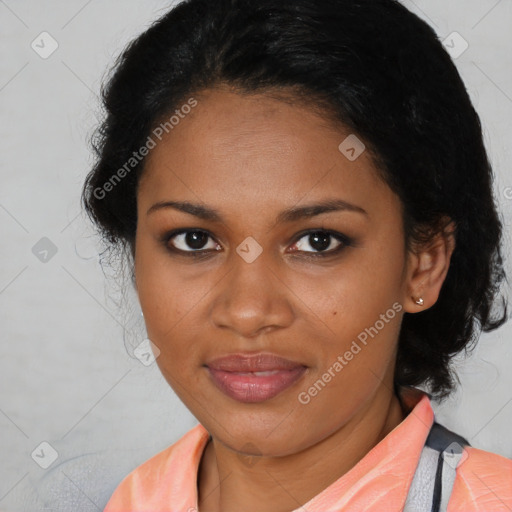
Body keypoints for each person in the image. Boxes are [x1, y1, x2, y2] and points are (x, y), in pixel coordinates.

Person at [81, 0, 512, 510]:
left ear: (423, 263)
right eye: (194, 240)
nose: (246, 311)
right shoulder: (131, 500)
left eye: (318, 241)